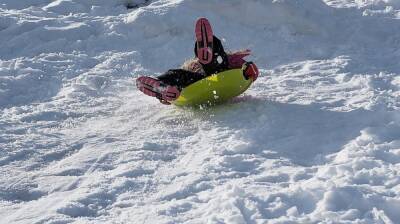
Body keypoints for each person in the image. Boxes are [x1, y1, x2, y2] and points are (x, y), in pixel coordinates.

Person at [136, 18, 258, 104]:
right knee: (209, 66)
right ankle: (164, 87)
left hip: (205, 81)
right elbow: (247, 69)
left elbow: (248, 68)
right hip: (213, 78)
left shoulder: (229, 61)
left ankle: (164, 84)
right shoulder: (229, 59)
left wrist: (249, 70)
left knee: (179, 75)